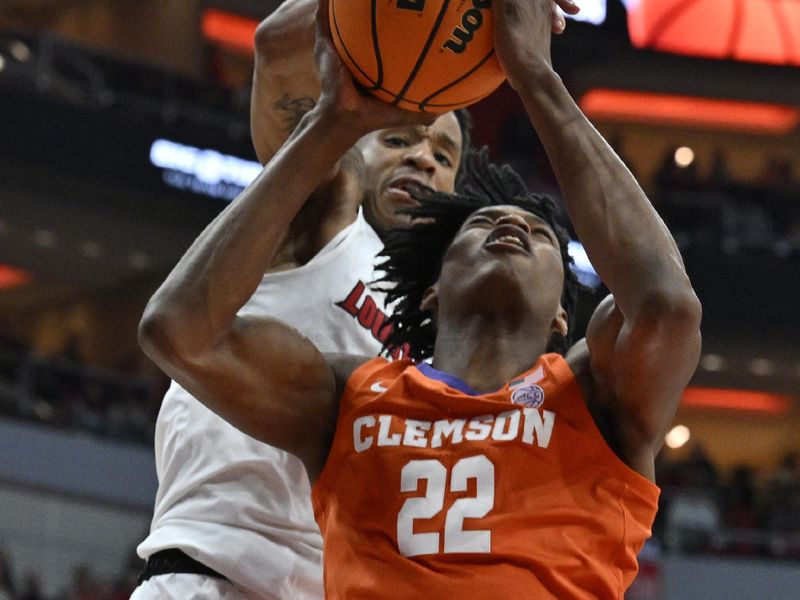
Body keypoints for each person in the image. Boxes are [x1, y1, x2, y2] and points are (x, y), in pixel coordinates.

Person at [139, 0, 701, 597]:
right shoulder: (328, 225)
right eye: (400, 135)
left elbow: (665, 307)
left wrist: (536, 75)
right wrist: (334, 119)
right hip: (225, 569)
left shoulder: (577, 394)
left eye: (444, 153)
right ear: (437, 286)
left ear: (563, 312)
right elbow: (279, 46)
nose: (423, 155)